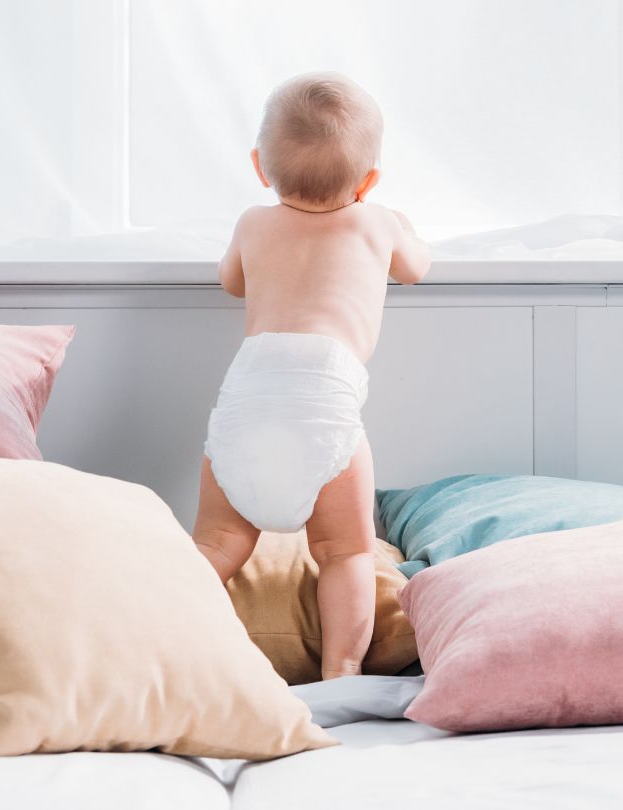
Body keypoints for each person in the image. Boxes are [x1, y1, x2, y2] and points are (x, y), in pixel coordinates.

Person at [192, 71, 431, 681]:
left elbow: (231, 281)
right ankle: (340, 674)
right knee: (346, 553)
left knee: (214, 548)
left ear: (259, 168)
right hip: (322, 399)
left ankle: (158, 642)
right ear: (370, 181)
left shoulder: (253, 223)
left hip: (247, 395)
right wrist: (400, 224)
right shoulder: (376, 223)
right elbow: (415, 270)